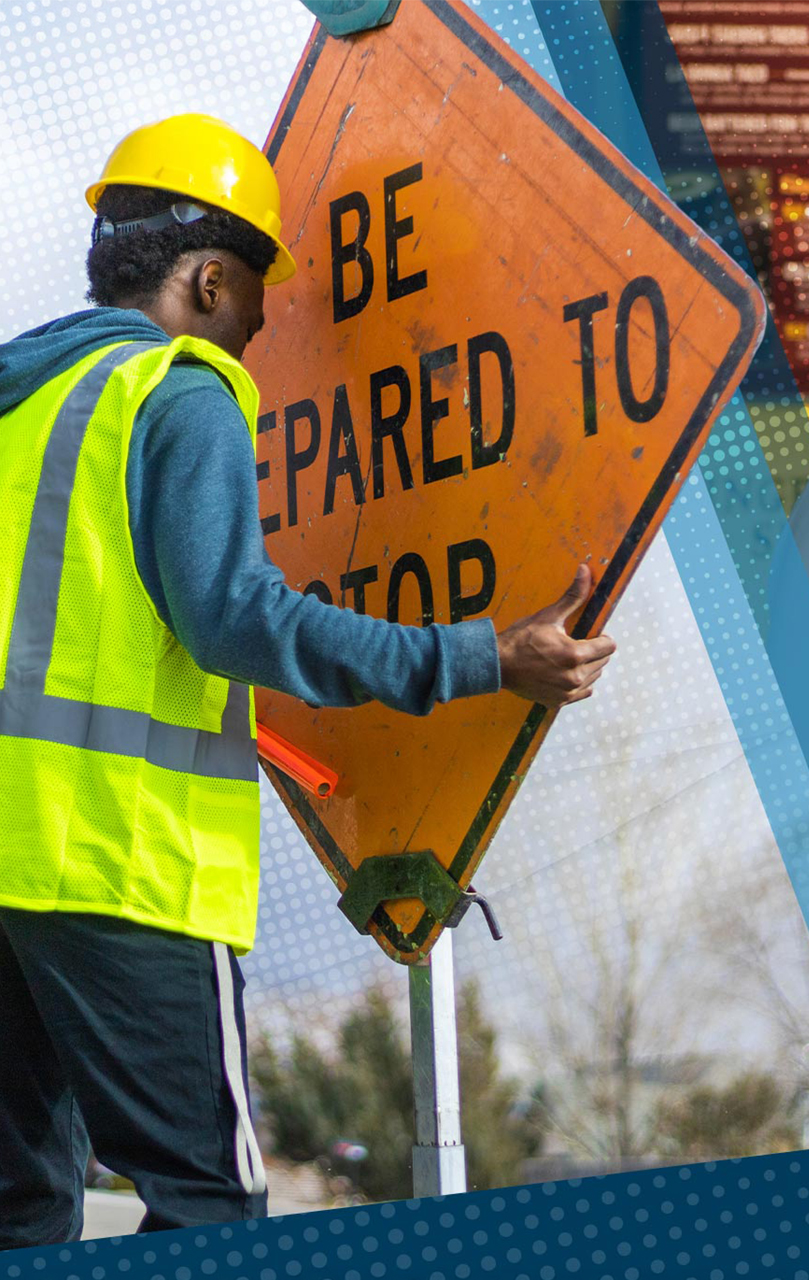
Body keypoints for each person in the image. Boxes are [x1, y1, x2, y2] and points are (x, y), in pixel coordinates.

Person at [0, 115, 615, 1244]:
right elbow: (236, 617)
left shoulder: (20, 402)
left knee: (21, 1198)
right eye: (251, 305)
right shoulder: (177, 390)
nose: (261, 333)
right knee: (212, 1203)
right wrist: (481, 654)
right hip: (115, 861)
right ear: (204, 277)